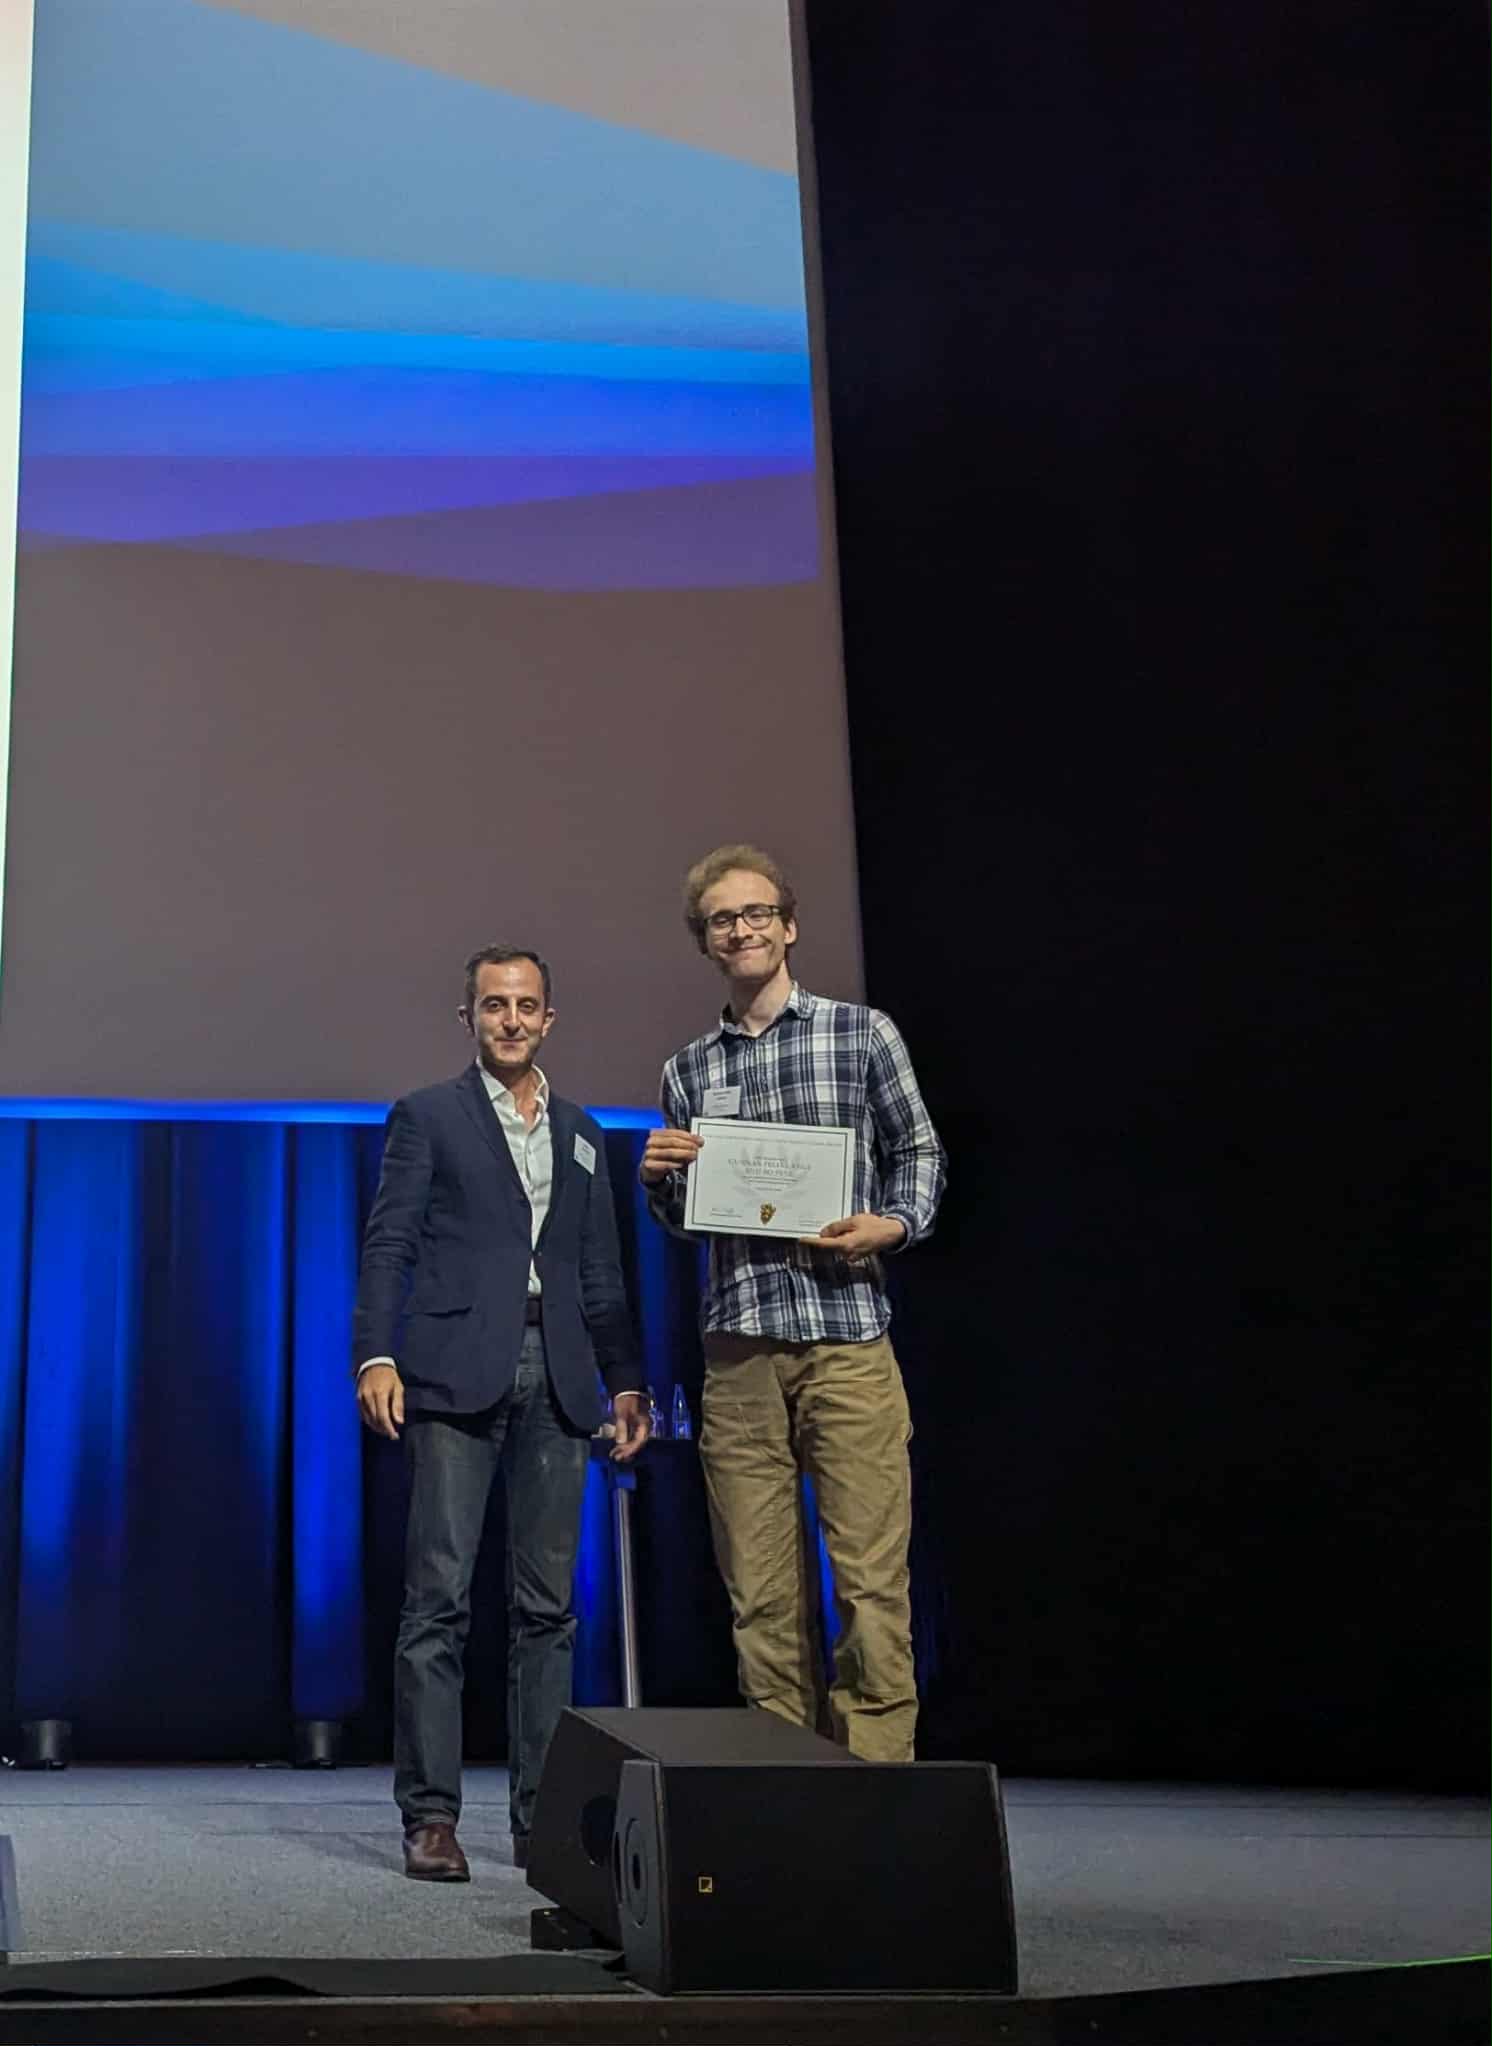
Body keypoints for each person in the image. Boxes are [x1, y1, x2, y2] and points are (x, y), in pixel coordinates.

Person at [641, 846, 945, 1761]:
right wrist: (659, 1181)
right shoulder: (688, 1068)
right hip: (738, 1355)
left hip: (847, 1340)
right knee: (761, 1596)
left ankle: (877, 1795)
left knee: (870, 1584)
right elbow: (691, 1222)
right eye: (722, 920)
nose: (742, 929)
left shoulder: (863, 1034)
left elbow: (920, 1154)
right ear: (705, 942)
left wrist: (889, 1226)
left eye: (756, 913)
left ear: (789, 925)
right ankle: (782, 1799)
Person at [354, 945, 648, 1881]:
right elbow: (388, 1242)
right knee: (436, 1601)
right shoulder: (428, 1116)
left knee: (547, 1612)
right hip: (450, 1373)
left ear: (549, 1018)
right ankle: (431, 1817)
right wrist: (376, 1350)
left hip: (558, 1377)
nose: (511, 1020)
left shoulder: (584, 1130)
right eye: (494, 1006)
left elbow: (599, 1270)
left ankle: (540, 1819)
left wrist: (627, 1378)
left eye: (526, 1006)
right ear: (470, 1019)